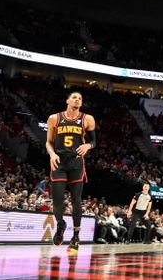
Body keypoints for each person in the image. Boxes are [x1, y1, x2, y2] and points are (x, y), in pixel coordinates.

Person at [46, 91, 96, 252]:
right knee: (58, 199)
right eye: (74, 97)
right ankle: (60, 224)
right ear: (67, 100)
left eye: (80, 98)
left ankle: (75, 236)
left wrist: (88, 145)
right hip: (59, 161)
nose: (77, 100)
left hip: (76, 162)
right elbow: (48, 142)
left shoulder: (87, 119)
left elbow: (94, 141)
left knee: (76, 199)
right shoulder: (55, 118)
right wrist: (52, 154)